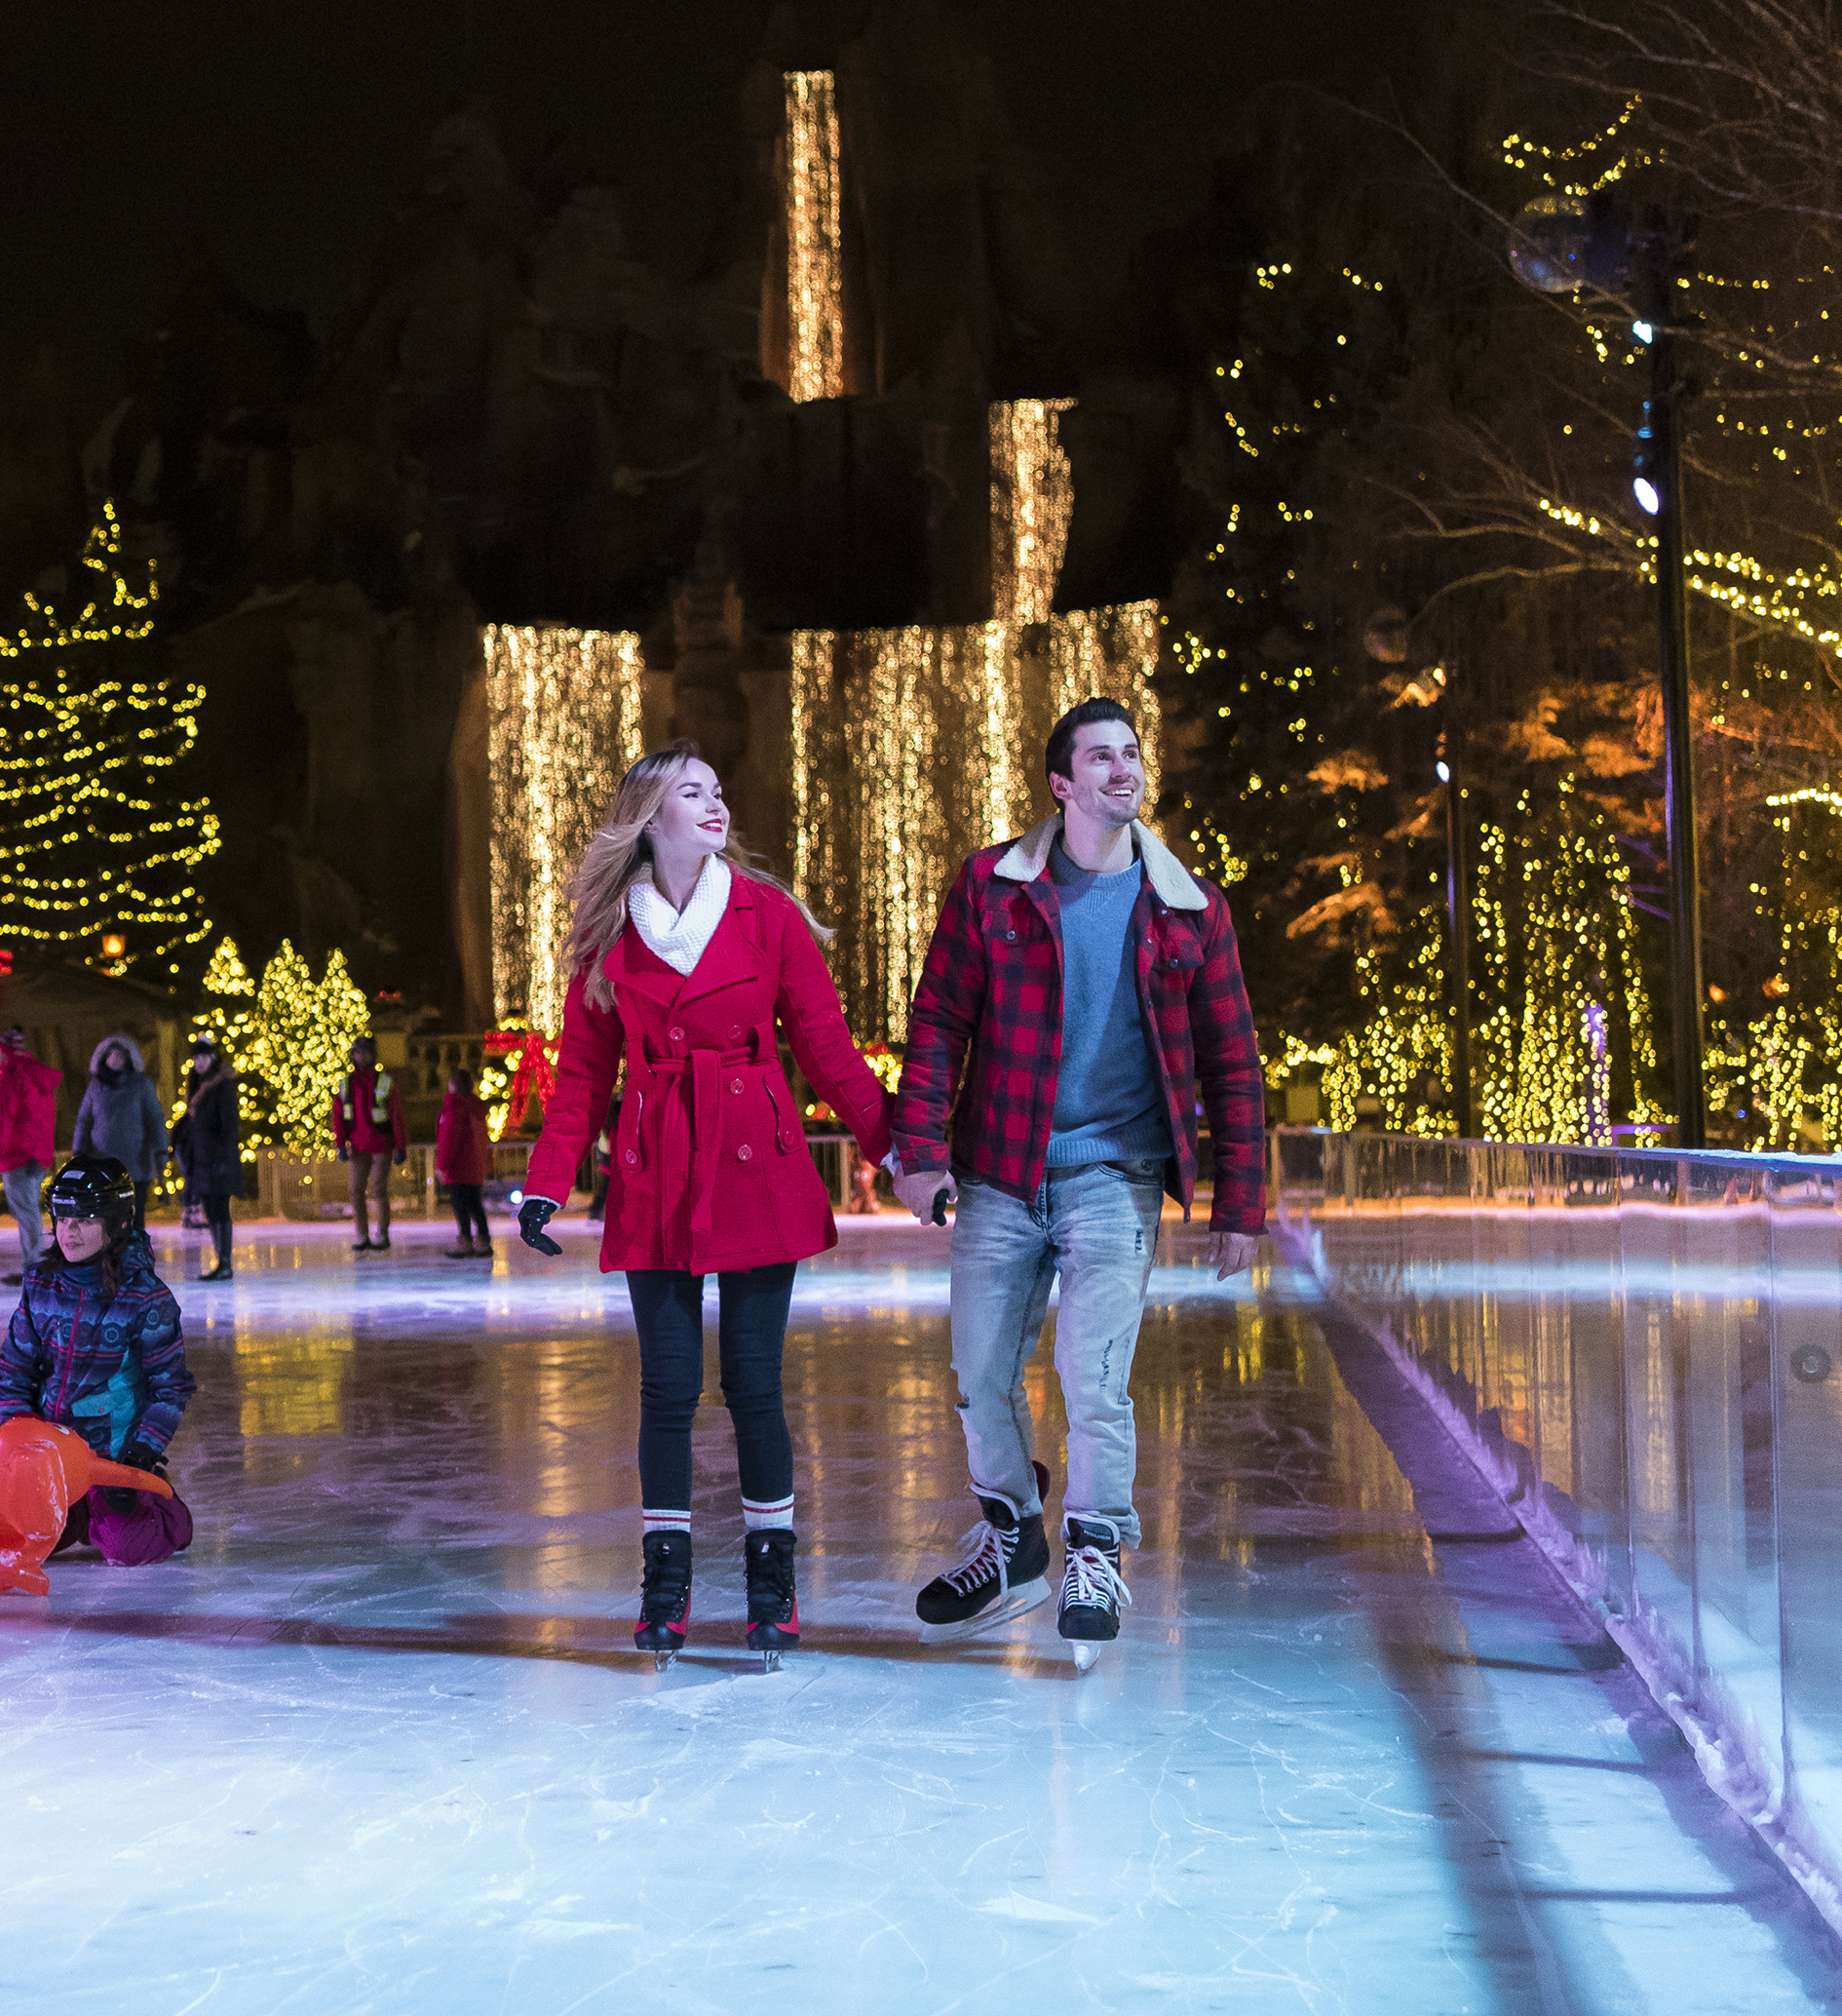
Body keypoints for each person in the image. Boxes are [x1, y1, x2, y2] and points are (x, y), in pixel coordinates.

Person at [887, 697, 1266, 1661]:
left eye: (1132, 753)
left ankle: (1095, 1547)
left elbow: (1232, 1060)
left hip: (1116, 1178)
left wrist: (1241, 1203)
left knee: (1092, 1377)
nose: (1123, 768)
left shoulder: (1188, 906)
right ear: (1062, 785)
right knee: (979, 1376)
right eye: (1101, 757)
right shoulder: (991, 889)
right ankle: (1013, 1536)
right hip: (1001, 1173)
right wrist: (920, 1153)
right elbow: (938, 1025)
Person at [515, 746, 893, 1667]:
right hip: (654, 1168)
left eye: (720, 790)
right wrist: (546, 1181)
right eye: (694, 792)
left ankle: (773, 1586)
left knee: (755, 1388)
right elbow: (580, 1081)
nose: (717, 804)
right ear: (649, 816)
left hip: (755, 1161)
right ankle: (667, 1587)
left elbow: (832, 1054)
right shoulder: (611, 934)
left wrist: (906, 1154)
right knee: (667, 1390)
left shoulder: (770, 918)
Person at [0, 1154, 198, 1565]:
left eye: (85, 1221)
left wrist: (141, 1456)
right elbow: (14, 1368)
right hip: (52, 1456)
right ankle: (78, 1513)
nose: (69, 1232)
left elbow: (170, 1388)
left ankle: (167, 1512)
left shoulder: (145, 1299)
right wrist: (17, 1432)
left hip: (114, 1459)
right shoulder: (41, 1284)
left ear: (118, 1223)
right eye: (63, 1219)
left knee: (125, 1548)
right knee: (17, 1539)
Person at [0, 1023, 64, 1286]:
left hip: (17, 1155)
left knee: (26, 1211)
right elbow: (42, 1120)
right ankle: (35, 1265)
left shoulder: (12, 1076)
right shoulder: (34, 1074)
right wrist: (39, 1153)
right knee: (28, 1210)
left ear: (5, 1051)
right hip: (35, 1155)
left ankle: (36, 1267)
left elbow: (3, 1120)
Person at [171, 1040, 241, 1281]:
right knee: (211, 1209)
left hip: (218, 1158)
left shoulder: (223, 1085)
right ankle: (222, 1260)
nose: (199, 1062)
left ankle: (225, 1262)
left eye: (204, 1057)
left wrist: (222, 1155)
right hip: (202, 1158)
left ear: (213, 1058)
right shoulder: (196, 1084)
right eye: (195, 1058)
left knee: (220, 1208)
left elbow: (229, 1124)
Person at [331, 1037, 404, 1251]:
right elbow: (338, 1116)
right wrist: (341, 1144)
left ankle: (381, 1234)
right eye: (358, 1052)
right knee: (355, 1191)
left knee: (378, 1190)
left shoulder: (385, 1082)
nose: (361, 1056)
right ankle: (362, 1235)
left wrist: (400, 1145)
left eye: (364, 1052)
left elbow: (397, 1115)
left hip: (381, 1144)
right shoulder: (346, 1084)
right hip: (358, 1145)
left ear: (373, 1055)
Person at [71, 1033, 169, 1186]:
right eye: (111, 1055)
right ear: (104, 1057)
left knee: (135, 1208)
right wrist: (78, 1149)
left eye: (120, 1055)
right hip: (101, 1161)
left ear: (128, 1058)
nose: (115, 1059)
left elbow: (155, 1119)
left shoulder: (142, 1085)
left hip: (136, 1162)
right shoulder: (95, 1087)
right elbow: (84, 1120)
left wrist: (161, 1151)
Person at [433, 1066, 493, 1260]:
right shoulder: (476, 1110)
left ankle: (465, 1241)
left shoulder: (454, 1108)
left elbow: (449, 1139)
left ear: (452, 1085)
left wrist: (442, 1164)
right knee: (475, 1204)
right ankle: (483, 1241)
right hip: (474, 1166)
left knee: (460, 1206)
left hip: (458, 1167)